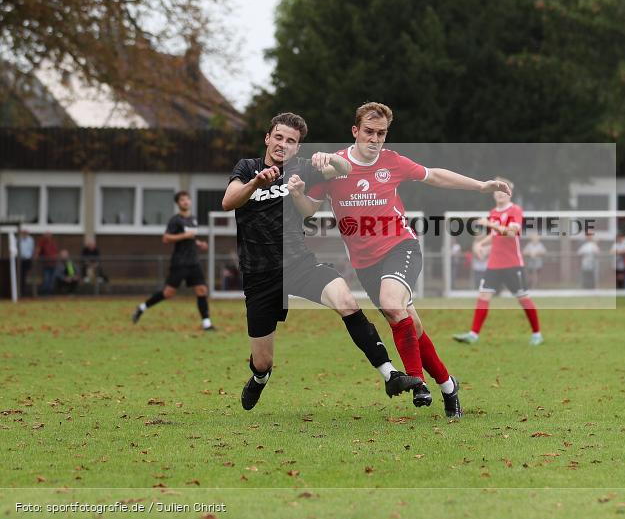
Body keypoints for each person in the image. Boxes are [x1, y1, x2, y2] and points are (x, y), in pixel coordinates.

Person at [302, 101, 512, 418]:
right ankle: (448, 385)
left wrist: (480, 185)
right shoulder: (332, 167)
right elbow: (307, 208)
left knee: (390, 301)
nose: (375, 139)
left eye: (381, 133)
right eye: (369, 132)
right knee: (410, 324)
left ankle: (418, 384)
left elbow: (434, 176)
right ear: (355, 131)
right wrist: (293, 191)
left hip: (401, 246)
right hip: (365, 263)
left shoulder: (392, 162)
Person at [221, 112, 420, 411]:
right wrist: (256, 183)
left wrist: (330, 159)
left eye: (291, 141)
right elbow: (228, 201)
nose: (282, 145)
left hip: (299, 265)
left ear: (297, 148)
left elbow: (344, 168)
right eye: (278, 137)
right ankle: (259, 378)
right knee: (263, 361)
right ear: (267, 138)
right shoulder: (247, 168)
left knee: (346, 301)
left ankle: (390, 374)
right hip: (259, 275)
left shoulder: (302, 169)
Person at [454, 177, 543, 346]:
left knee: (523, 298)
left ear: (510, 193)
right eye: (497, 190)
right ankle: (473, 334)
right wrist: (480, 244)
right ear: (493, 194)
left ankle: (537, 334)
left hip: (513, 264)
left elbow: (510, 233)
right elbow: (494, 235)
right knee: (483, 295)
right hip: (494, 264)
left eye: (504, 190)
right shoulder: (493, 213)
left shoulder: (515, 210)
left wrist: (490, 224)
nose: (500, 193)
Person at [131, 192, 215, 331]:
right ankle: (141, 307)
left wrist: (199, 243)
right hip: (180, 262)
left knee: (202, 290)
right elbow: (166, 238)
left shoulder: (193, 219)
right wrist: (184, 235)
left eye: (187, 199)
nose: (185, 202)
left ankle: (207, 324)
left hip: (193, 261)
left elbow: (191, 238)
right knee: (168, 293)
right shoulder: (175, 220)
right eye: (182, 200)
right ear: (178, 203)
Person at [17, 229, 34, 296]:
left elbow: (31, 249)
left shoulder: (30, 240)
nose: (24, 234)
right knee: (21, 276)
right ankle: (20, 291)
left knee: (26, 275)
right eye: (23, 233)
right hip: (20, 260)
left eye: (26, 233)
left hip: (27, 260)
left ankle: (26, 291)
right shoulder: (18, 239)